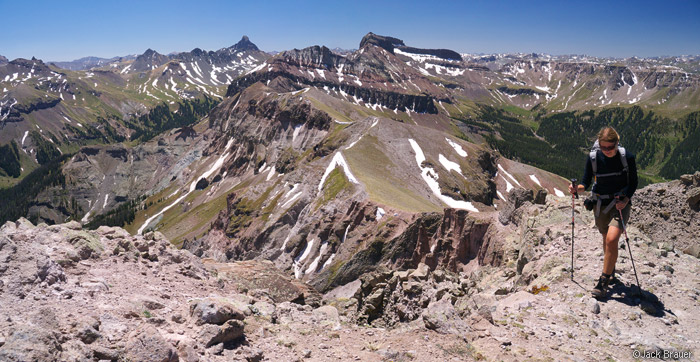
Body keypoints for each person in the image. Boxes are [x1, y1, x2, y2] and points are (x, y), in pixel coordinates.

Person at [569, 127, 638, 299]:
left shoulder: (627, 157)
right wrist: (576, 188)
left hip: (619, 203)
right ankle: (611, 268)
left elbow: (634, 182)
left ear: (617, 143)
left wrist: (626, 199)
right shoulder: (593, 158)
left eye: (610, 147)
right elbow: (585, 181)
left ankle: (603, 281)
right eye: (603, 147)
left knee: (612, 239)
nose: (607, 151)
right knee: (606, 238)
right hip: (600, 203)